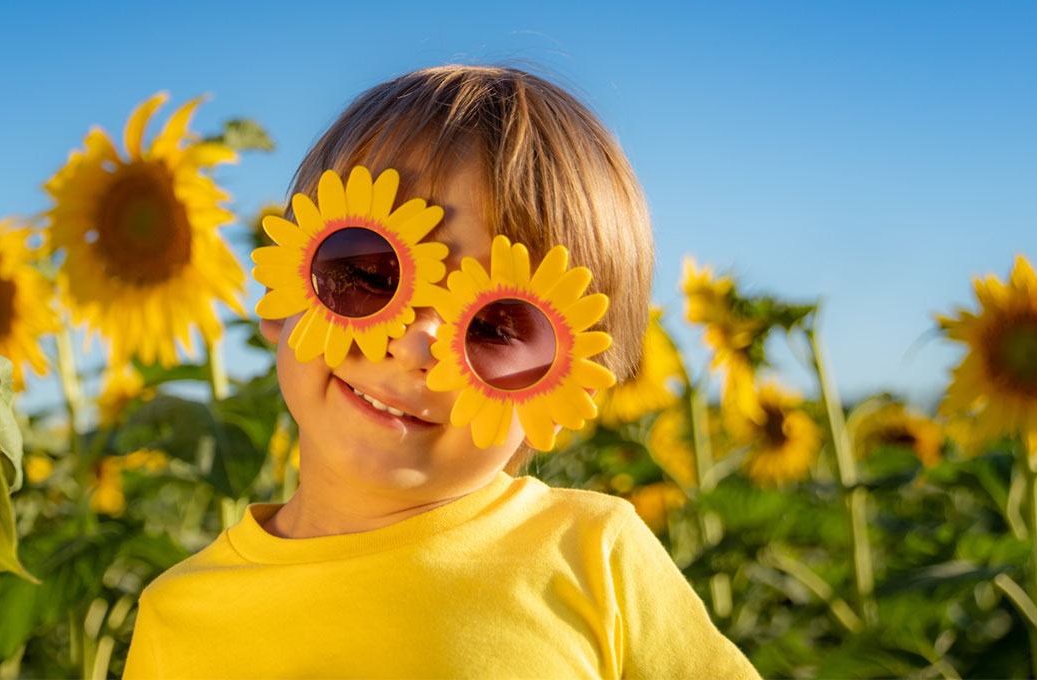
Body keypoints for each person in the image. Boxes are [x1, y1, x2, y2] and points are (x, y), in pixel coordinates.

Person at [122, 65, 761, 679]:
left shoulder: (594, 557)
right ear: (279, 296)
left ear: (564, 395)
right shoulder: (178, 616)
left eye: (497, 328)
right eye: (369, 273)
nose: (416, 347)